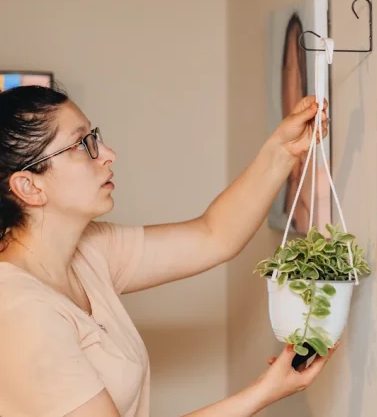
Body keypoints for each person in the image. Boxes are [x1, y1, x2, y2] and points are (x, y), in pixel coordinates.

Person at [0, 85, 332, 416]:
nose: (107, 153)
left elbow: (214, 235)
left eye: (95, 137)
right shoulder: (21, 312)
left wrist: (283, 150)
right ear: (29, 186)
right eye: (82, 144)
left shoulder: (89, 251)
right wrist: (264, 392)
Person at [280, 13, 331, 234]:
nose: (290, 89)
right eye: (287, 70)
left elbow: (215, 234)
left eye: (296, 71)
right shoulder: (296, 188)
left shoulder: (316, 182)